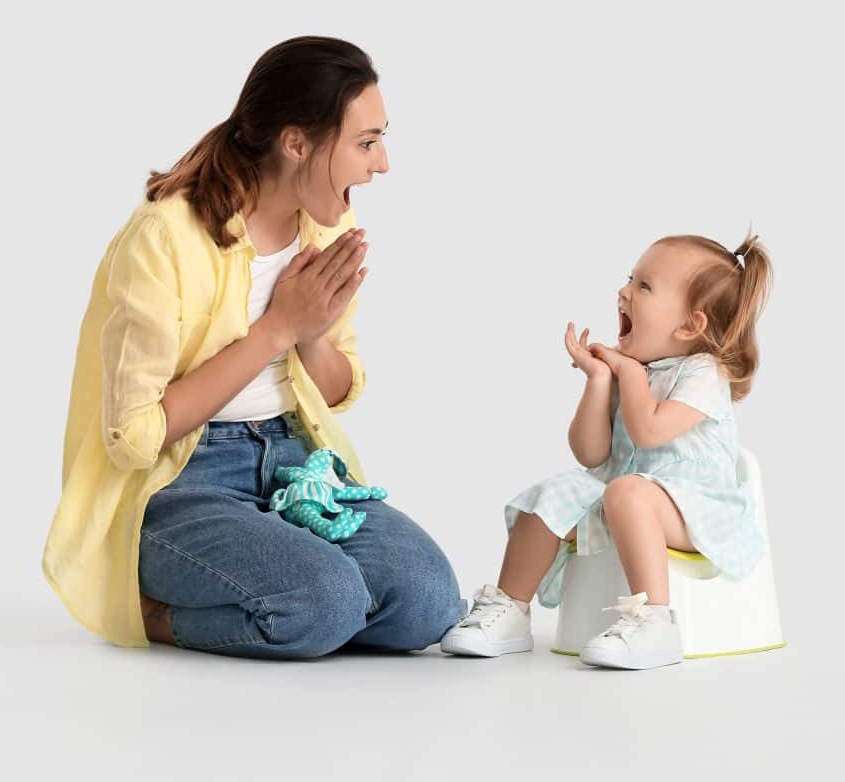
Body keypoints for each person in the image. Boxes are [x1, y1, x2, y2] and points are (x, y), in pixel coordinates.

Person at [42, 36, 467, 657]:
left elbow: (337, 392)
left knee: (428, 604)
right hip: (181, 482)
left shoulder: (328, 224)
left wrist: (313, 335)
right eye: (366, 142)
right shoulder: (165, 236)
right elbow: (134, 435)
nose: (381, 165)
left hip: (296, 461)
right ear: (296, 143)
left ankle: (286, 582)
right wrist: (276, 331)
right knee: (322, 605)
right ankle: (153, 613)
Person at [440, 232, 772, 669]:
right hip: (623, 494)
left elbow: (650, 431)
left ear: (690, 325)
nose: (624, 292)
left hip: (698, 509)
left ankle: (654, 622)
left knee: (628, 493)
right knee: (550, 496)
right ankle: (510, 609)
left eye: (644, 287)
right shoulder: (632, 371)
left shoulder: (705, 373)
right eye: (630, 279)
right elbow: (592, 454)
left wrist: (628, 373)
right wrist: (599, 380)